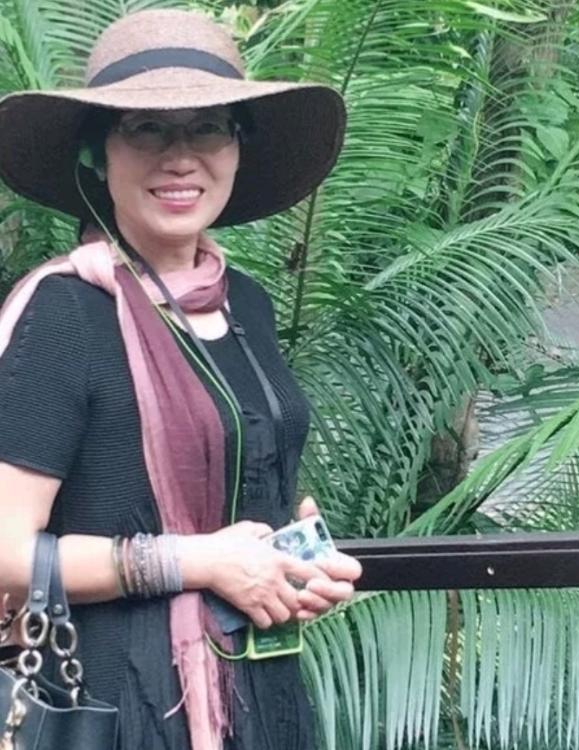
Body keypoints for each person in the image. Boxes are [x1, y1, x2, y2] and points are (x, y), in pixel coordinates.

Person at [0, 8, 361, 750]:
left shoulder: (246, 304)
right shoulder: (66, 313)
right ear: (99, 152)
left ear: (238, 147)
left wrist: (300, 559)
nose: (181, 157)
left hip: (260, 690)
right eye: (146, 129)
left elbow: (247, 483)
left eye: (208, 128)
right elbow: (5, 550)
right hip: (112, 705)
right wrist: (202, 561)